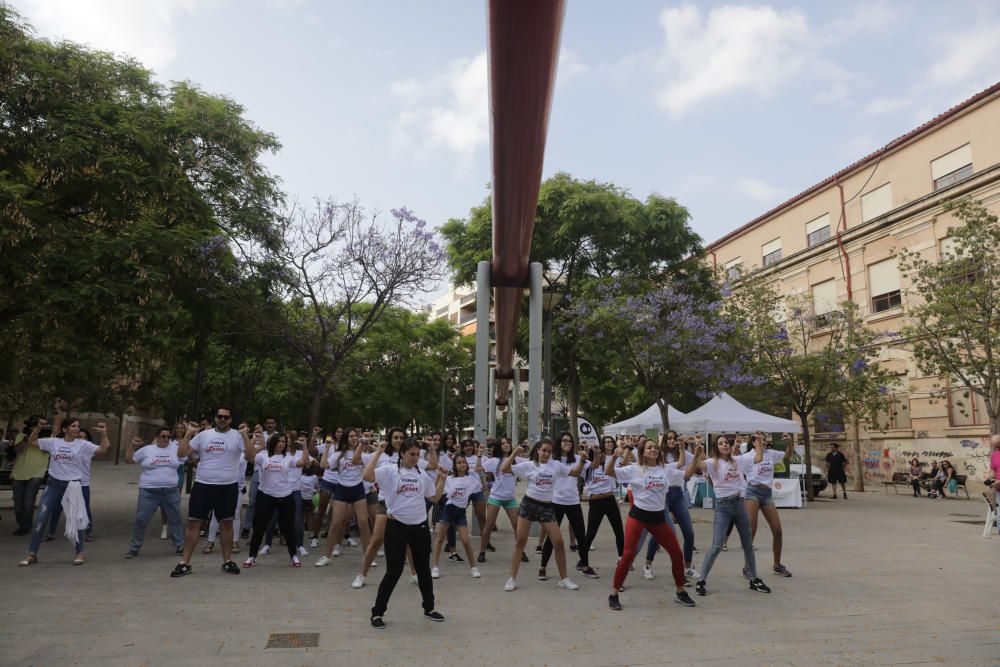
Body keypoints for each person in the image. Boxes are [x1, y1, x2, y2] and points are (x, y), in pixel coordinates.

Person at [605, 439, 699, 611]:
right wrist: (613, 458)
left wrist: (697, 455)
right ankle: (614, 593)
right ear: (642, 452)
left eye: (655, 447)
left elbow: (687, 475)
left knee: (677, 554)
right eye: (649, 447)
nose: (653, 449)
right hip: (638, 517)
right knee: (627, 556)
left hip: (658, 518)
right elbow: (609, 472)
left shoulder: (665, 469)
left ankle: (680, 591)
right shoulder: (635, 469)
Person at [363, 437, 444, 629]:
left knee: (423, 569)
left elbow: (433, 497)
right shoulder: (390, 470)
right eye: (411, 454)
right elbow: (367, 476)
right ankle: (377, 612)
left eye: (417, 454)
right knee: (394, 570)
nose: (415, 458)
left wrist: (443, 479)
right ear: (402, 454)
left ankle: (429, 608)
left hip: (420, 527)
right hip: (396, 526)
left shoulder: (422, 474)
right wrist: (378, 452)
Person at [18, 403, 110, 567]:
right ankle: (32, 554)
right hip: (53, 485)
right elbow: (32, 441)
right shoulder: (54, 443)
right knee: (41, 518)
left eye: (78, 426)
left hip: (73, 486)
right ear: (66, 428)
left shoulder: (83, 444)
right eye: (74, 426)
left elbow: (104, 449)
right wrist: (38, 428)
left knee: (76, 520)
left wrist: (104, 434)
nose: (77, 429)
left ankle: (80, 553)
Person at [171, 407, 250, 577]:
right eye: (219, 416)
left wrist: (244, 435)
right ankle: (184, 563)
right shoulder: (203, 436)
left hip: (227, 487)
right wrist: (189, 433)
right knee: (194, 524)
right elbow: (181, 454)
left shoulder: (237, 436)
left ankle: (227, 561)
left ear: (230, 420)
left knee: (227, 525)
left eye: (226, 417)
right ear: (215, 418)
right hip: (203, 485)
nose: (222, 419)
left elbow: (251, 457)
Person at [501, 437, 587, 592]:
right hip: (529, 504)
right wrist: (514, 453)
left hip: (547, 507)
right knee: (520, 541)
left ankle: (564, 579)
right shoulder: (530, 465)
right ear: (538, 451)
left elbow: (574, 473)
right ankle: (512, 578)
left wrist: (582, 460)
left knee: (559, 543)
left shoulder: (556, 466)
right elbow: (504, 469)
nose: (546, 454)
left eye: (549, 451)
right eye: (544, 450)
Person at [696, 435, 771, 596]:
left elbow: (758, 458)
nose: (725, 445)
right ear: (717, 447)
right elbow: (699, 465)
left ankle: (754, 579)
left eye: (726, 443)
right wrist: (698, 450)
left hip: (739, 505)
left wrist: (758, 443)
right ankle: (701, 581)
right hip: (723, 506)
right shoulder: (713, 462)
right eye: (720, 443)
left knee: (748, 544)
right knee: (717, 545)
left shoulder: (738, 460)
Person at [243, 432, 311, 568]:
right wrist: (249, 439)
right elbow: (249, 456)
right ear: (273, 442)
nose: (281, 444)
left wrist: (304, 447)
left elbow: (304, 462)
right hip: (266, 495)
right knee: (259, 527)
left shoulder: (288, 458)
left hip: (286, 496)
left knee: (288, 528)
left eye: (283, 442)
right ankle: (252, 557)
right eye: (279, 441)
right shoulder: (263, 456)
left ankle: (294, 556)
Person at [642, 431, 699, 582]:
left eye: (674, 438)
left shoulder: (684, 453)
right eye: (669, 438)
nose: (672, 441)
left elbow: (695, 465)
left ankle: (687, 567)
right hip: (664, 495)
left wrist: (689, 447)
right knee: (663, 533)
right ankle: (648, 564)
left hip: (678, 494)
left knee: (689, 532)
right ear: (665, 440)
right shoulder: (658, 453)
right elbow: (679, 465)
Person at [539, 432, 595, 579]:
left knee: (581, 536)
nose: (567, 443)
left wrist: (593, 452)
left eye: (570, 441)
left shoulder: (577, 458)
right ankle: (542, 567)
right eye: (564, 440)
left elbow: (593, 466)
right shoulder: (552, 459)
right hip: (556, 502)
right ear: (559, 442)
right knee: (552, 538)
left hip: (573, 501)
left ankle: (585, 565)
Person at [124, 427, 186, 558]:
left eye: (169, 436)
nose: (166, 439)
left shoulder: (176, 449)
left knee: (175, 519)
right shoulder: (147, 450)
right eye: (163, 436)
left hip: (170, 491)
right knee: (141, 520)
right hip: (149, 491)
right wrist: (132, 446)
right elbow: (129, 460)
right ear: (157, 437)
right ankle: (134, 548)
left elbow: (188, 458)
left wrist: (186, 442)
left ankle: (179, 545)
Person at [316, 428, 373, 566]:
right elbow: (323, 465)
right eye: (351, 436)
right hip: (342, 489)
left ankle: (368, 556)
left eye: (355, 436)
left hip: (358, 489)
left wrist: (367, 445)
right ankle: (326, 556)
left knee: (364, 524)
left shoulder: (363, 454)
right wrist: (327, 449)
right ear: (346, 439)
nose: (354, 438)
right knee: (335, 524)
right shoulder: (338, 454)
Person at [743, 432, 794, 578]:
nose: (763, 441)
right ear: (753, 442)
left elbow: (787, 455)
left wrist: (789, 442)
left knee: (777, 530)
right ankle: (747, 567)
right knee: (751, 528)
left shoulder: (771, 454)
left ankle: (777, 565)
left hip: (767, 494)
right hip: (752, 491)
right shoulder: (747, 457)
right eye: (759, 439)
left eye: (764, 438)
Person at [430, 454, 482, 579]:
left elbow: (481, 488)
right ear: (455, 465)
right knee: (440, 539)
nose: (462, 464)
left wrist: (480, 474)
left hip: (460, 513)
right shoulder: (450, 479)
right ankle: (435, 567)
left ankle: (473, 567)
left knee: (465, 541)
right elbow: (435, 489)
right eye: (459, 462)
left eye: (464, 462)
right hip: (449, 510)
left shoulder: (471, 480)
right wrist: (439, 476)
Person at [478, 437, 528, 564]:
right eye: (503, 443)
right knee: (488, 526)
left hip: (510, 498)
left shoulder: (518, 460)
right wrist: (479, 455)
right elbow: (479, 469)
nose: (506, 445)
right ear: (499, 447)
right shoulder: (494, 460)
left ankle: (521, 552)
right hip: (495, 497)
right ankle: (482, 551)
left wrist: (530, 446)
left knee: (517, 526)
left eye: (507, 443)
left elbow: (534, 460)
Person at [581, 436, 625, 569]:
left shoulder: (609, 466)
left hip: (610, 500)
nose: (601, 456)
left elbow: (624, 463)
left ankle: (621, 558)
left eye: (602, 454)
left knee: (619, 531)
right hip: (596, 503)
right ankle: (583, 561)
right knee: (591, 533)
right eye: (598, 454)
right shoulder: (588, 469)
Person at [11, 416, 49, 536]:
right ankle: (22, 523)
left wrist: (36, 437)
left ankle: (25, 526)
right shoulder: (21, 436)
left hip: (36, 473)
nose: (35, 427)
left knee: (28, 501)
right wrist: (27, 438)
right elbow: (17, 450)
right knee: (18, 505)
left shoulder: (47, 438)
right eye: (33, 425)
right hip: (19, 473)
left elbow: (47, 451)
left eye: (38, 426)